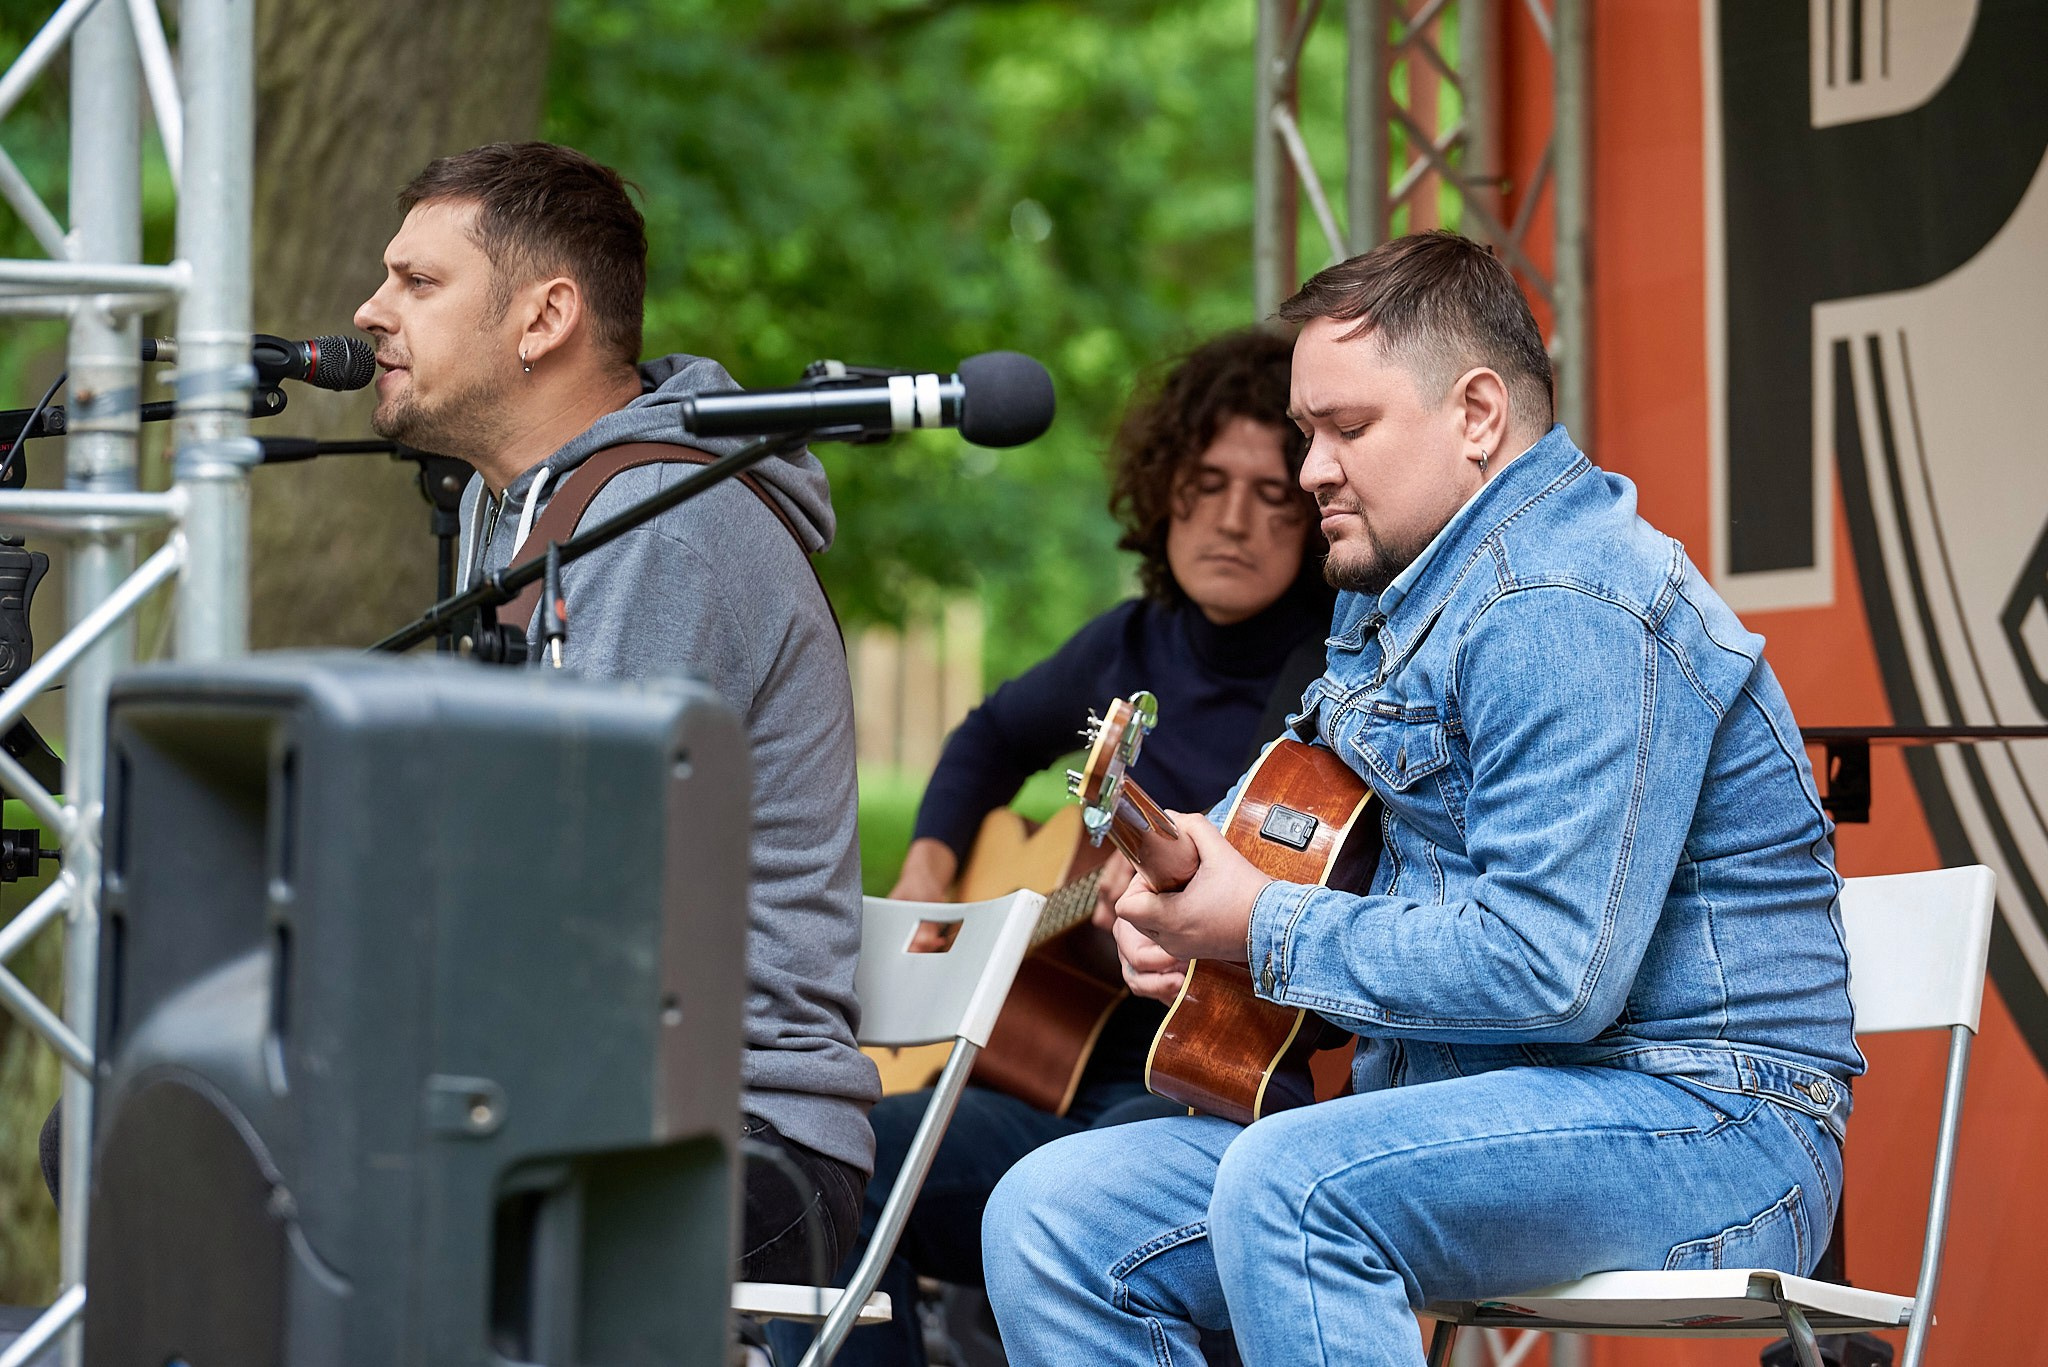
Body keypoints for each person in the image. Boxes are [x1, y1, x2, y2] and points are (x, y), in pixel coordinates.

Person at [981, 231, 1863, 1366]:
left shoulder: (1565, 596)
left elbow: (1553, 969)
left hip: (1706, 1122)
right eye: (1307, 432)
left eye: (1346, 429)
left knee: (1293, 1186)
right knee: (1054, 1214)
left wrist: (1259, 925)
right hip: (1468, 1109)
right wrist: (1201, 916)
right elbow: (1316, 859)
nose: (1309, 472)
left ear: (1477, 415)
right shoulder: (1390, 590)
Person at [353, 142, 879, 1283]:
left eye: (417, 281)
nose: (370, 311)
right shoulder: (533, 511)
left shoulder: (656, 525)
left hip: (731, 1140)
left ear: (544, 318)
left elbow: (573, 898)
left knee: (262, 1176)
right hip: (587, 1099)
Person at [808, 329, 1333, 1367]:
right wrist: (930, 865)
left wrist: (1184, 905)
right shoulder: (1127, 644)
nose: (1232, 519)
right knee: (829, 1153)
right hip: (1049, 1087)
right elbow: (985, 738)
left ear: (1317, 509)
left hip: (1198, 1092)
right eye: (1207, 481)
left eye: (1272, 495)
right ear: (1162, 488)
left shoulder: (1328, 679)